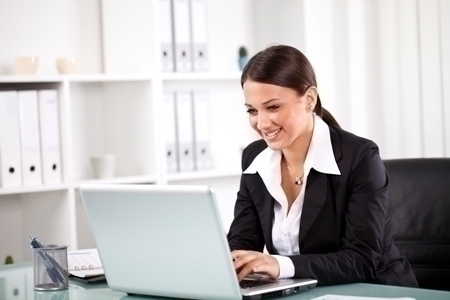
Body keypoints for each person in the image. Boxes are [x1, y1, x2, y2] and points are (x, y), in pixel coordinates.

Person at [227, 44, 418, 287]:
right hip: (302, 293)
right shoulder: (255, 157)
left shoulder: (360, 158)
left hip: (374, 290)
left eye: (273, 107)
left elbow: (361, 260)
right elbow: (243, 240)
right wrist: (229, 262)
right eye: (252, 110)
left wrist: (279, 265)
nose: (262, 123)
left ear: (309, 99)